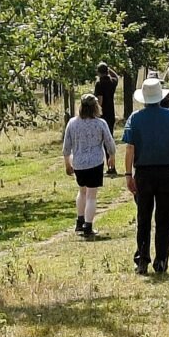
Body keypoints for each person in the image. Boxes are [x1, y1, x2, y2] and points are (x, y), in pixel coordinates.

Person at [123, 77, 169, 275]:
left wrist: (128, 174)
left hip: (143, 173)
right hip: (167, 173)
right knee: (165, 219)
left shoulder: (135, 118)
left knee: (143, 217)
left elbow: (130, 149)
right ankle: (161, 259)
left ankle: (142, 259)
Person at [63, 93, 116, 239]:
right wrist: (112, 156)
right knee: (92, 195)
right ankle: (88, 225)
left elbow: (66, 147)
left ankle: (79, 220)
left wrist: (67, 163)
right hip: (95, 162)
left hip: (78, 163)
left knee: (82, 191)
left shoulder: (72, 123)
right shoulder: (100, 123)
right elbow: (109, 143)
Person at [93, 62, 119, 136]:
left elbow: (100, 100)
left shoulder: (99, 84)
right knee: (109, 135)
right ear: (107, 71)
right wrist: (108, 69)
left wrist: (96, 113)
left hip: (103, 114)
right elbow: (116, 76)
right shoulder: (112, 82)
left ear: (98, 72)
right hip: (111, 113)